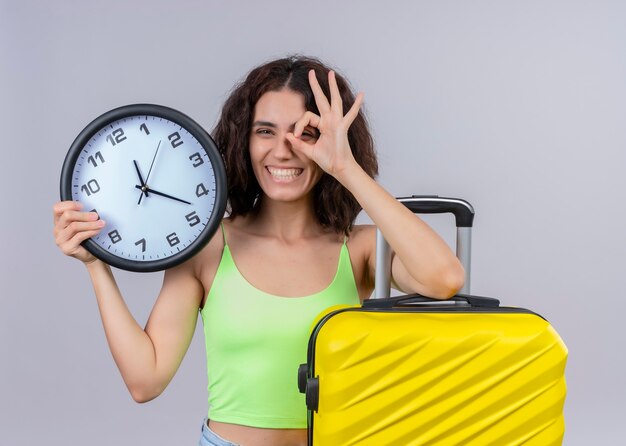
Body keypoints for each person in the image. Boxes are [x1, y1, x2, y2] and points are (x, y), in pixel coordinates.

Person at [53, 55, 464, 446]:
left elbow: (444, 279)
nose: (283, 150)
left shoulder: (358, 249)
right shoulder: (208, 247)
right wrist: (95, 265)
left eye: (305, 133)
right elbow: (146, 380)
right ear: (243, 142)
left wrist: (346, 167)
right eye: (264, 131)